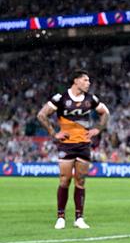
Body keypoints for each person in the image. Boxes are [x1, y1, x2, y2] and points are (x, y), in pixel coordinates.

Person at [37, 70, 110, 229]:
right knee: (64, 179)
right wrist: (53, 133)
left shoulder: (91, 99)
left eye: (88, 80)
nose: (88, 83)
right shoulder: (60, 98)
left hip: (84, 145)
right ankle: (61, 217)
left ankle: (79, 218)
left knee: (81, 181)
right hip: (66, 145)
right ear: (76, 81)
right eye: (85, 80)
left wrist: (98, 129)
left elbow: (105, 113)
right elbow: (42, 115)